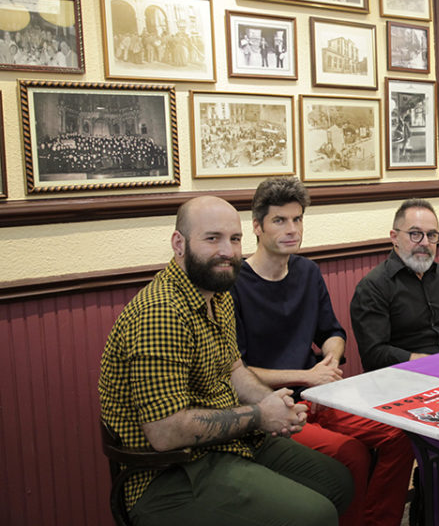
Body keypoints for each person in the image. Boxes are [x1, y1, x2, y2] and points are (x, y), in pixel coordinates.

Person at [98, 195, 352, 526]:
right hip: (168, 474)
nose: (228, 251)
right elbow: (165, 433)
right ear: (179, 244)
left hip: (228, 445)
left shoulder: (218, 296)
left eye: (234, 239)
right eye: (212, 238)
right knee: (316, 514)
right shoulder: (161, 313)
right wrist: (260, 415)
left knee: (338, 481)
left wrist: (273, 403)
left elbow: (233, 369)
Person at [232, 177, 414, 526]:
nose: (292, 229)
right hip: (271, 406)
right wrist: (307, 375)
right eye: (279, 220)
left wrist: (331, 358)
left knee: (399, 435)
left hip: (320, 395)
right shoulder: (236, 282)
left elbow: (332, 332)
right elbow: (239, 369)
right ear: (257, 226)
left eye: (297, 219)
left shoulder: (307, 271)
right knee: (353, 455)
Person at [351, 198, 439, 371]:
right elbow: (374, 353)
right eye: (415, 234)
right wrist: (420, 360)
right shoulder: (373, 286)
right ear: (394, 237)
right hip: (406, 375)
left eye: (432, 235)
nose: (425, 243)